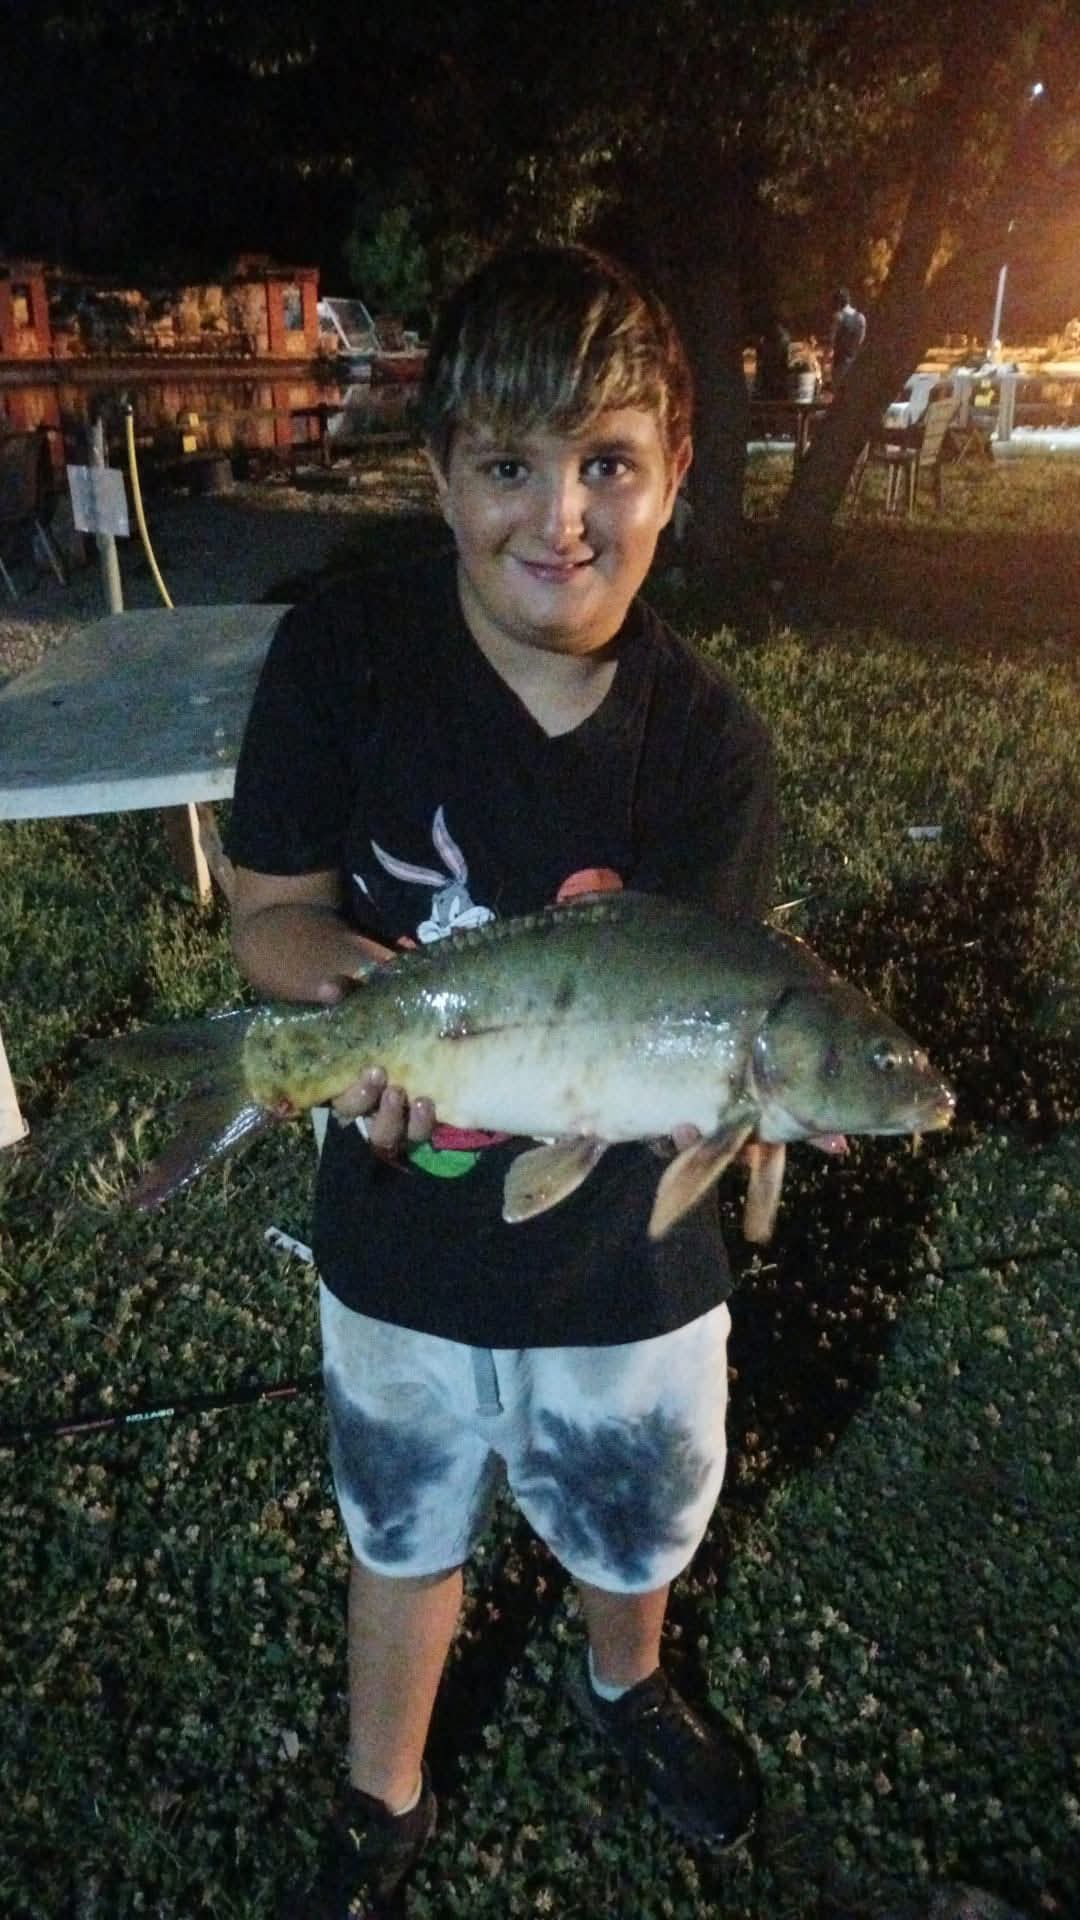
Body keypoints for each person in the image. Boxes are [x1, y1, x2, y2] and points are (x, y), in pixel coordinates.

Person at [226, 243, 778, 1918]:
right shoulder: (345, 654)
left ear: (676, 472)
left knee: (631, 1519)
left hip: (628, 1269)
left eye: (608, 463)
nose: (563, 518)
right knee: (401, 1524)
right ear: (440, 474)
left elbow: (710, 1020)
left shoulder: (708, 745)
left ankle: (628, 1680)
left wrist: (748, 1124)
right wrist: (364, 1022)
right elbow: (271, 913)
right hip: (400, 1237)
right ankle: (382, 1791)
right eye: (510, 467)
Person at [829, 286, 866, 384]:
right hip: (854, 360)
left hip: (840, 361)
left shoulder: (838, 317)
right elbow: (861, 339)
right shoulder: (861, 317)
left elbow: (832, 341)